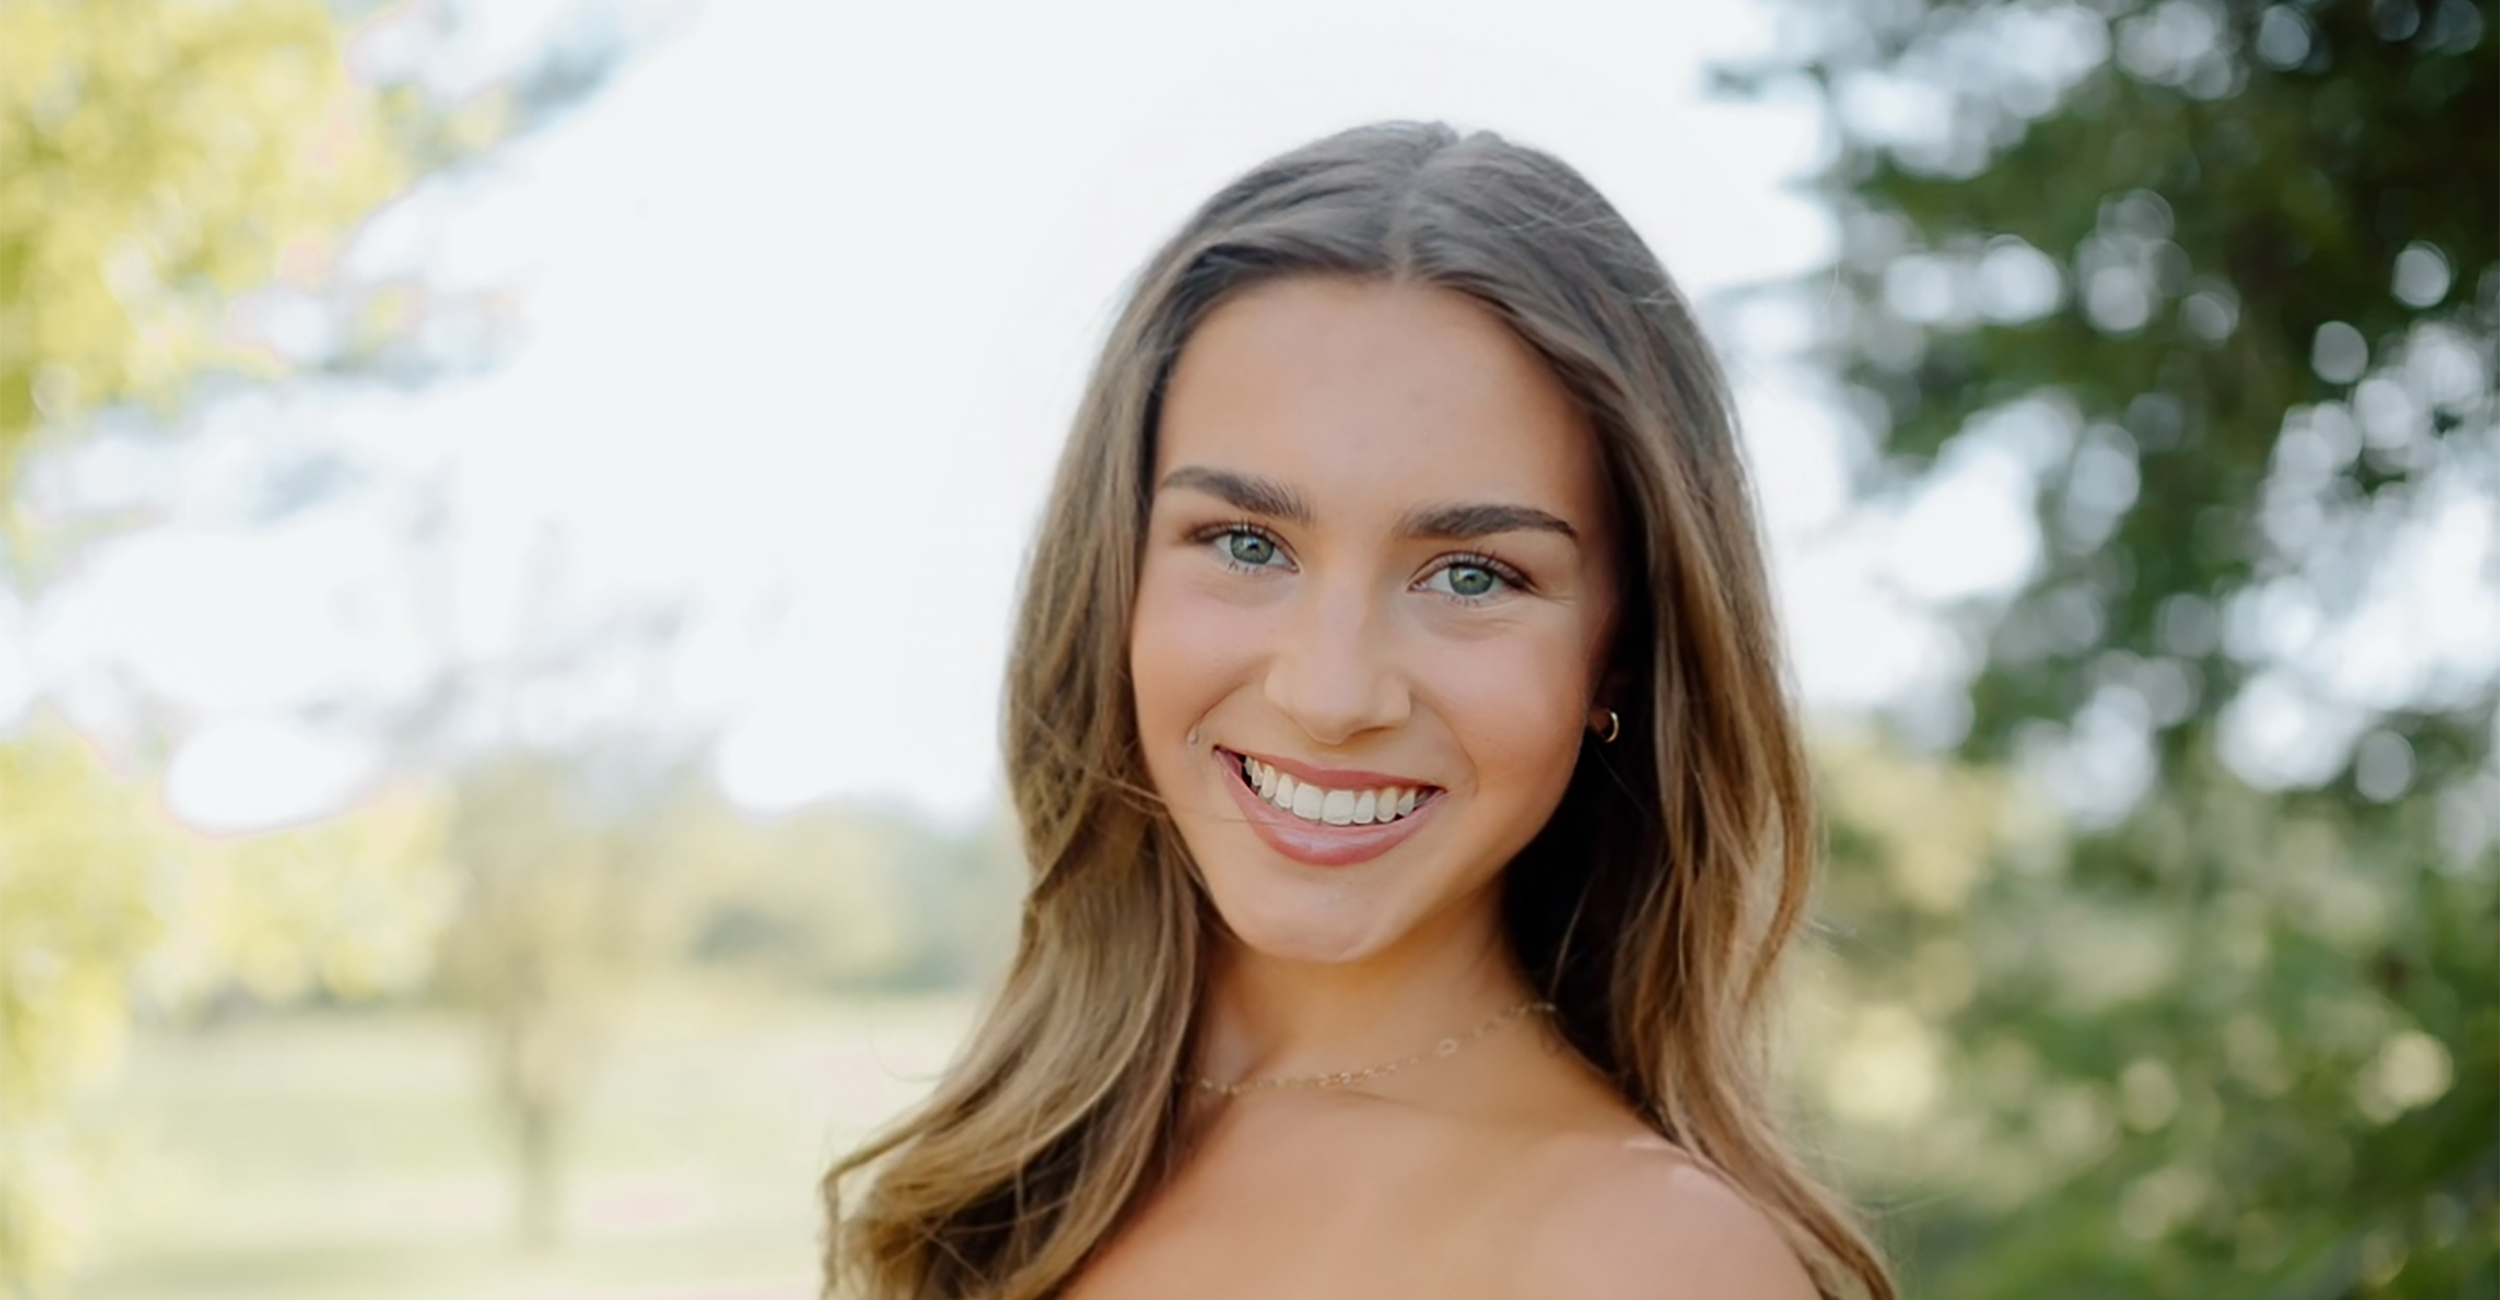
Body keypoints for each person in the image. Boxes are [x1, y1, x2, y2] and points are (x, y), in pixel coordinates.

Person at [821, 121, 1894, 1300]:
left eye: (1472, 574)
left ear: (1621, 655)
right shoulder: (1032, 1157)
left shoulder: (1648, 1259)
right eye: (1246, 543)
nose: (1330, 696)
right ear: (1112, 574)